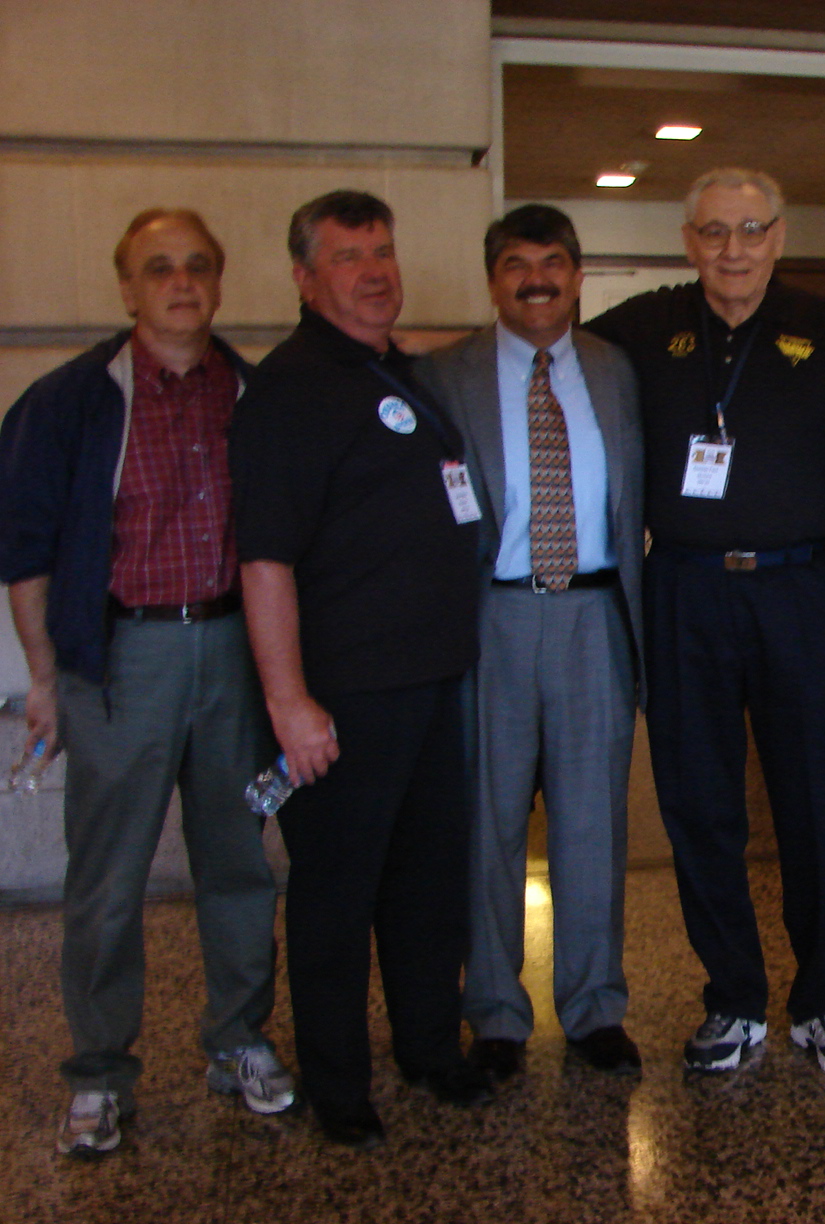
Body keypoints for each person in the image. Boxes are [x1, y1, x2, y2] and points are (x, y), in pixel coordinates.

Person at [0, 209, 292, 1157]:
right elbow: (27, 552)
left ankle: (238, 1039)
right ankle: (96, 1073)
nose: (181, 282)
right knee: (107, 878)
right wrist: (45, 679)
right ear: (127, 287)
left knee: (240, 864)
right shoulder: (69, 402)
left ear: (219, 280)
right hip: (120, 663)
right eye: (158, 268)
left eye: (198, 266)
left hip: (230, 657)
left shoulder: (256, 394)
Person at [585, 168, 825, 1075]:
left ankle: (823, 996)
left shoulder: (822, 329)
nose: (733, 249)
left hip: (797, 592)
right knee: (698, 802)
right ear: (687, 239)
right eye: (714, 231)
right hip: (686, 589)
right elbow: (548, 357)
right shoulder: (639, 326)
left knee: (815, 804)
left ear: (781, 236)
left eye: (751, 230)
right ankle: (735, 998)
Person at [232, 190, 490, 1149]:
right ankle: (340, 1085)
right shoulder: (292, 388)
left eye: (383, 249)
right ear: (305, 277)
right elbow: (266, 559)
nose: (374, 270)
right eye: (348, 256)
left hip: (430, 683)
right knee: (338, 893)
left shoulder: (398, 374)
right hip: (342, 697)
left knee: (427, 884)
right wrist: (289, 701)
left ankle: (429, 1047)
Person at [418, 204, 643, 1079]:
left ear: (579, 276)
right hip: (491, 620)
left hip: (595, 617)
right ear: (492, 278)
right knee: (488, 822)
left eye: (553, 261)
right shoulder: (445, 376)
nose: (537, 278)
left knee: (594, 825)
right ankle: (498, 1015)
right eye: (517, 263)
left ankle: (594, 1008)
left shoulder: (616, 372)